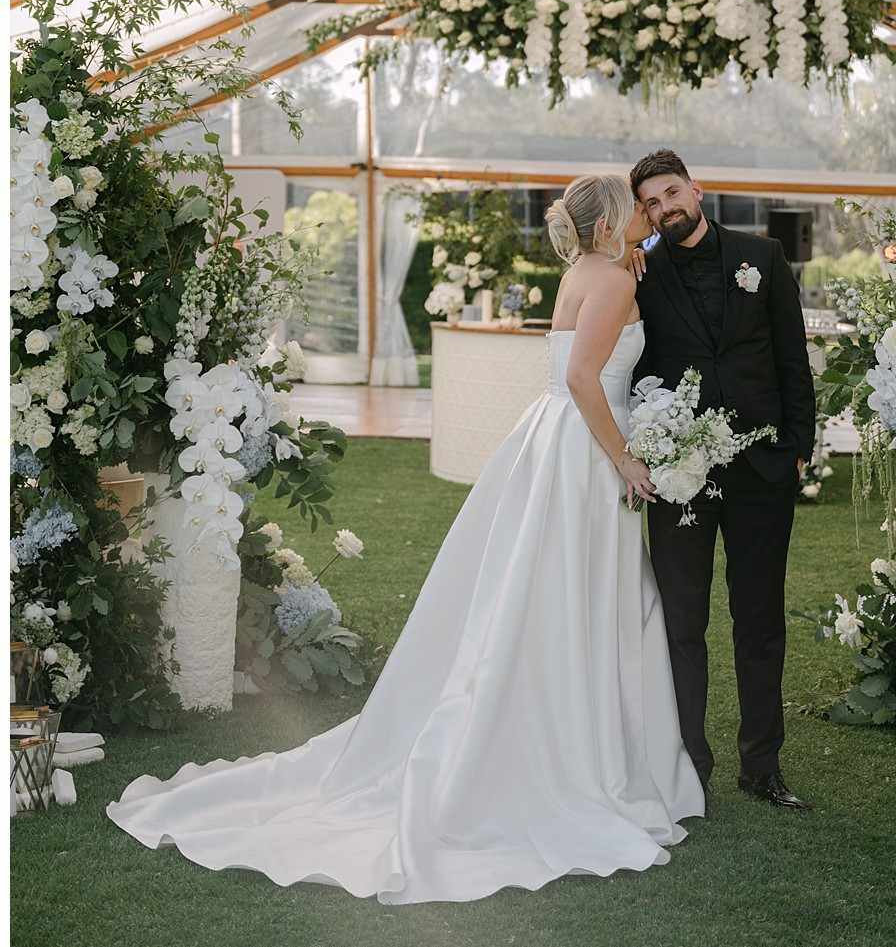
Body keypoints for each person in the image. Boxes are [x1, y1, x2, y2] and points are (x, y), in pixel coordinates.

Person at [107, 174, 704, 905]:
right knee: (572, 599)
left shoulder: (590, 270)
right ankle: (576, 757)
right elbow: (584, 376)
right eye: (637, 206)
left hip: (553, 441)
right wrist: (625, 457)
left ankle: (565, 729)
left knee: (548, 596)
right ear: (611, 219)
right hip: (584, 449)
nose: (648, 214)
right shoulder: (611, 281)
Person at [629, 149, 816, 811]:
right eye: (650, 202)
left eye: (670, 193)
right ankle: (690, 767)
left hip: (763, 468)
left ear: (696, 189)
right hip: (680, 475)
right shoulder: (640, 275)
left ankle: (761, 765)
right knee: (682, 620)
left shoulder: (762, 257)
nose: (664, 208)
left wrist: (799, 447)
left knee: (759, 620)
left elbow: (793, 356)